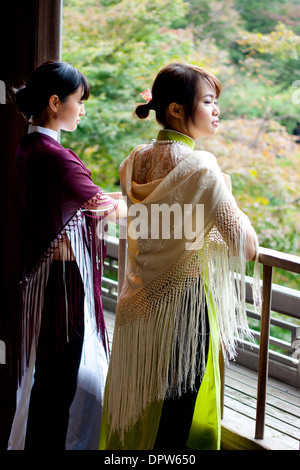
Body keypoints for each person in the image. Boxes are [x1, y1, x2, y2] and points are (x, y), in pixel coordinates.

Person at [99, 62, 260, 450]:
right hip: (183, 307)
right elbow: (246, 246)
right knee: (174, 419)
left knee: (142, 409)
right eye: (208, 101)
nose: (216, 110)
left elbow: (158, 224)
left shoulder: (134, 160)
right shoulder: (201, 167)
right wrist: (229, 195)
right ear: (175, 109)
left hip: (137, 305)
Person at [8, 61, 126, 450]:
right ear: (56, 103)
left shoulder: (29, 146)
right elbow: (104, 207)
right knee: (57, 388)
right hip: (60, 283)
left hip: (44, 279)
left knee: (48, 383)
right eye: (80, 101)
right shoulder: (53, 155)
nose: (84, 109)